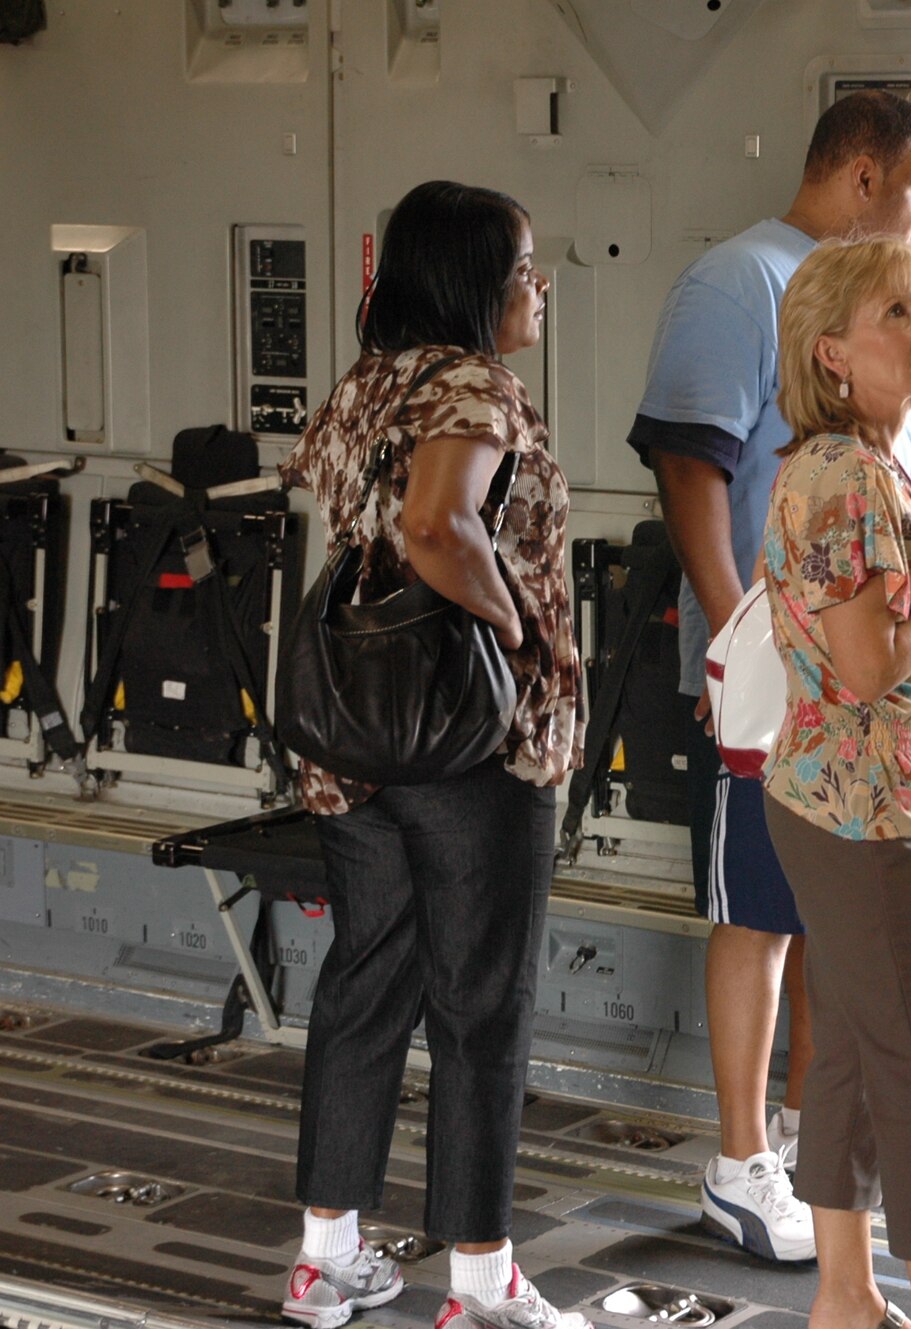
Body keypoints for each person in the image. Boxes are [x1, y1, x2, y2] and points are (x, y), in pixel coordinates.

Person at [625, 89, 911, 1263]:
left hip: (889, 696)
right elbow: (692, 470)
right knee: (761, 913)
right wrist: (738, 645)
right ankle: (740, 1162)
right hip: (787, 683)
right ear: (864, 174)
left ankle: (812, 1159)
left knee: (843, 933)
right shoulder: (740, 282)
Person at [277, 180, 588, 1329]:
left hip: (353, 738)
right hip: (468, 741)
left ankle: (325, 1258)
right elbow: (434, 523)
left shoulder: (366, 385)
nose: (538, 284)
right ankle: (481, 1280)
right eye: (520, 265)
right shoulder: (473, 386)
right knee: (479, 1002)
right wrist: (514, 629)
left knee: (367, 980)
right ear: (469, 281)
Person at [761, 234, 911, 1329]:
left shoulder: (828, 463)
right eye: (893, 313)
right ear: (831, 354)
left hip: (823, 798)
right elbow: (867, 668)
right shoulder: (854, 476)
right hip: (869, 812)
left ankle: (846, 1297)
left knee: (857, 1053)